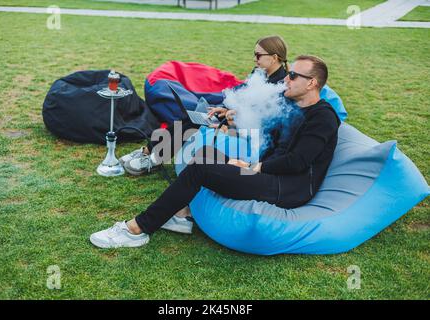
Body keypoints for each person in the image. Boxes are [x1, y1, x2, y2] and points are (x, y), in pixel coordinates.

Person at [90, 55, 341, 249]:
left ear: (312, 83)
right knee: (207, 152)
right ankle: (179, 214)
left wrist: (256, 168)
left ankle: (137, 229)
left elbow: (298, 162)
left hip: (286, 188)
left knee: (201, 167)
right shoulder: (292, 105)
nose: (286, 78)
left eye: (293, 76)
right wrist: (233, 123)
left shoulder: (323, 118)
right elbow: (269, 135)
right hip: (268, 174)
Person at [121, 35, 289, 176]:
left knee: (195, 122)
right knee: (194, 115)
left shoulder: (282, 86)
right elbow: (242, 93)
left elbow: (268, 121)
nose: (254, 59)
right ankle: (149, 152)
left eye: (258, 55)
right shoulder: (260, 73)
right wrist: (224, 108)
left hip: (250, 134)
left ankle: (154, 159)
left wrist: (234, 119)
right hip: (233, 119)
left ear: (274, 58)